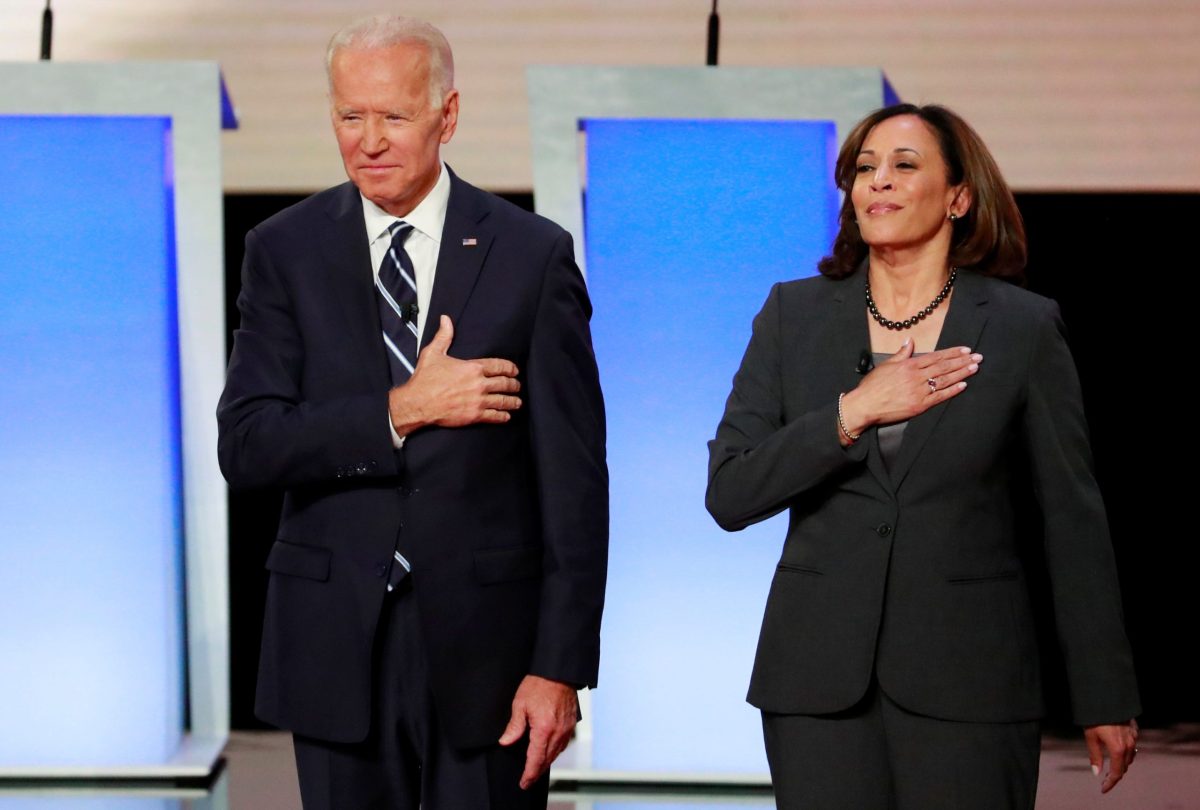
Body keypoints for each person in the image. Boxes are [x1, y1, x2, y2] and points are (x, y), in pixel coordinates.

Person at [216, 15, 608, 810]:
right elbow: (249, 444)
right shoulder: (283, 250)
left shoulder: (531, 255)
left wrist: (560, 663)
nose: (369, 140)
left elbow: (574, 482)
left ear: (447, 115)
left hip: (492, 654)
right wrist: (402, 409)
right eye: (349, 116)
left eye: (393, 116)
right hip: (332, 642)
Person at [705, 103, 1139, 809]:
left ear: (960, 197)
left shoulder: (1022, 328)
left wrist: (1104, 693)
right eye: (864, 170)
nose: (878, 183)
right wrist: (854, 412)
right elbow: (730, 490)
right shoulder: (794, 314)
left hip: (971, 685)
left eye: (904, 166)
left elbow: (1072, 520)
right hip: (817, 686)